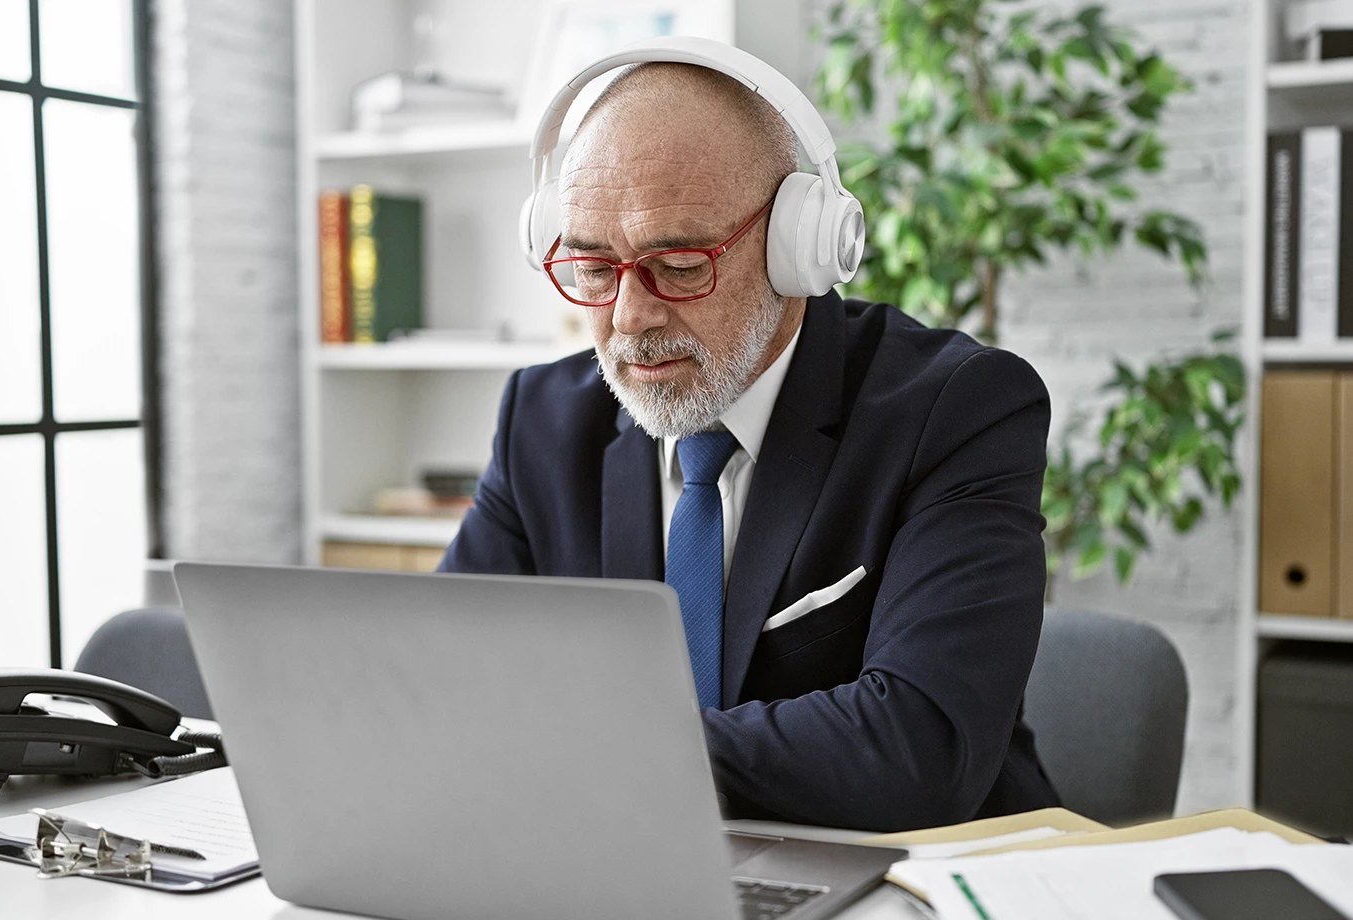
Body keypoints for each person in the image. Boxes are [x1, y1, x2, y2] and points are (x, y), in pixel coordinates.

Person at [440, 50, 1059, 832]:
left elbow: (921, 748)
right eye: (593, 267)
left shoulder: (958, 409)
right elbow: (443, 681)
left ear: (797, 245)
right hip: (620, 862)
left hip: (914, 874)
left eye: (678, 264)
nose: (629, 316)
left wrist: (604, 753)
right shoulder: (542, 418)